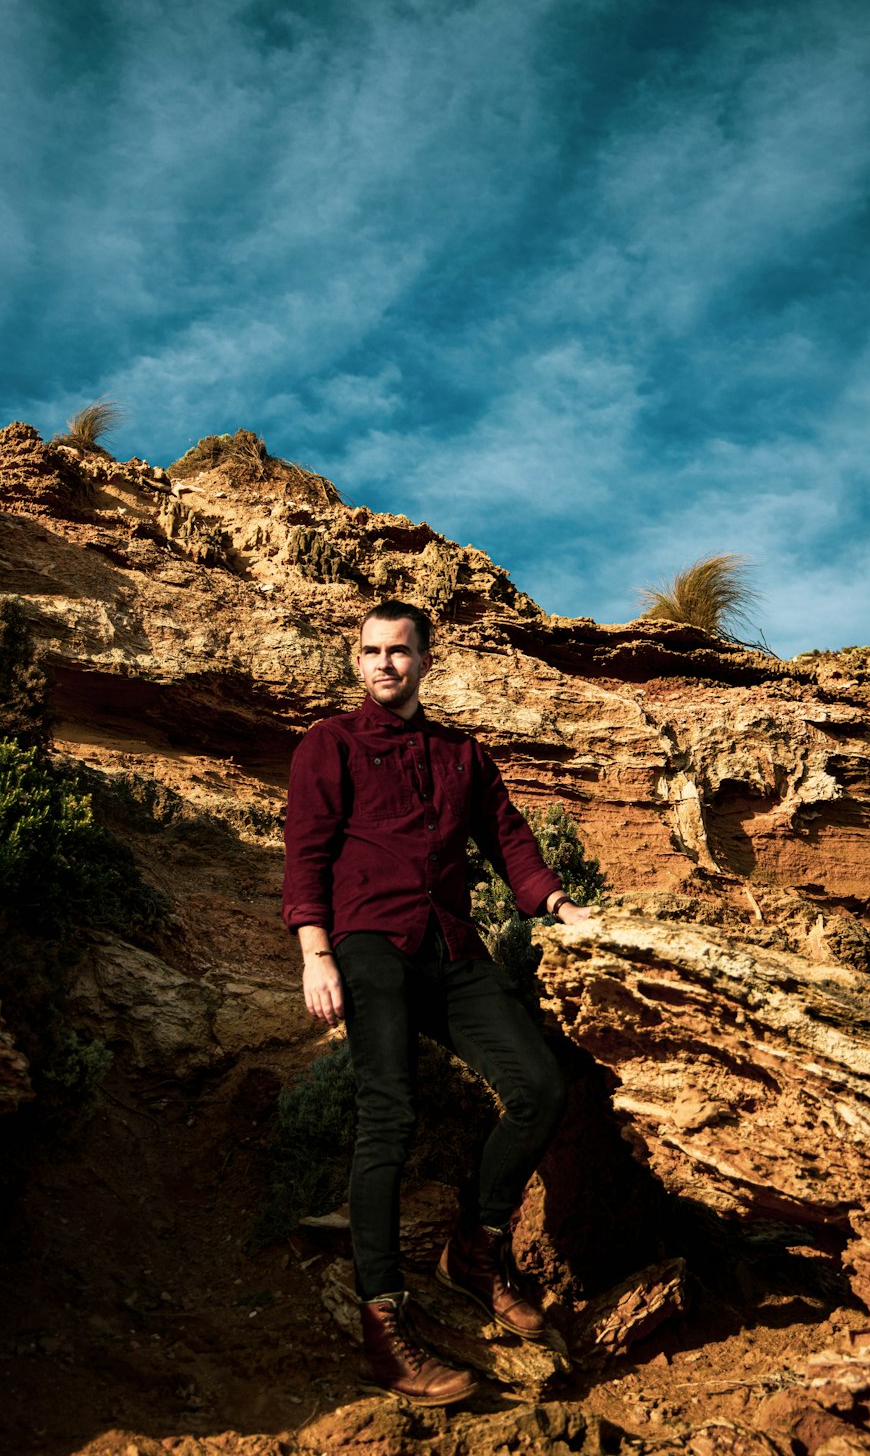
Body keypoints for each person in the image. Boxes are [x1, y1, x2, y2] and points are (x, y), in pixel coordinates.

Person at [282, 600, 591, 1405]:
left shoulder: (463, 754)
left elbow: (510, 839)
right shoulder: (329, 744)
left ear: (426, 660)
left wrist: (558, 906)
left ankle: (479, 1247)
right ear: (357, 662)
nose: (384, 663)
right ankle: (385, 1320)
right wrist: (316, 955)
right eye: (371, 651)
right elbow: (306, 855)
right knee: (389, 1114)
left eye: (399, 651)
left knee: (540, 1089)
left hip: (452, 949)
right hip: (369, 948)